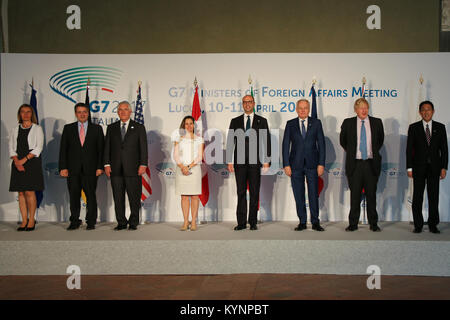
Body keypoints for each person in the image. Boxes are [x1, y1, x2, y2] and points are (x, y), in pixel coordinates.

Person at [226, 95, 271, 231]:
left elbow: (267, 141)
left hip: (254, 162)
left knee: (254, 192)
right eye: (245, 102)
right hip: (239, 162)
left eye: (249, 102)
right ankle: (241, 222)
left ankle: (252, 222)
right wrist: (229, 160)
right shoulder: (235, 121)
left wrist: (267, 160)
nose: (247, 104)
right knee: (240, 192)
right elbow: (230, 142)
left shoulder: (261, 121)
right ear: (242, 104)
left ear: (254, 103)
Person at [340, 97, 384, 232]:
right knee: (355, 196)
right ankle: (353, 223)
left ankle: (373, 224)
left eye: (366, 107)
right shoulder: (348, 123)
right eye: (361, 108)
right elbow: (343, 141)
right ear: (356, 110)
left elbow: (380, 141)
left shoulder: (377, 122)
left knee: (371, 195)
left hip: (371, 164)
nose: (364, 110)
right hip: (355, 164)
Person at [59, 102, 104, 230]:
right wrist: (63, 167)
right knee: (73, 196)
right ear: (75, 114)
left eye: (84, 112)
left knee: (91, 196)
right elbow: (63, 149)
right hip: (73, 169)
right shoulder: (68, 128)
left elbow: (101, 150)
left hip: (91, 169)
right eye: (79, 112)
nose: (82, 114)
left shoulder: (97, 129)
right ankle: (74, 221)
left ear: (88, 113)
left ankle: (91, 221)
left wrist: (100, 167)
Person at [282, 99, 326, 231]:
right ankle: (302, 221)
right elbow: (285, 146)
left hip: (313, 164)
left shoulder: (316, 123)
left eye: (305, 108)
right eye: (300, 108)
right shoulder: (290, 124)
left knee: (313, 194)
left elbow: (322, 145)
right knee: (299, 194)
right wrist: (286, 164)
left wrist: (321, 164)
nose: (303, 110)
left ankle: (315, 222)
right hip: (295, 165)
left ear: (309, 109)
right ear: (296, 109)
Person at [104, 101, 148, 230]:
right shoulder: (111, 128)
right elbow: (107, 148)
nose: (122, 112)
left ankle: (133, 222)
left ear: (130, 111)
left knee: (134, 197)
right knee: (118, 197)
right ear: (117, 112)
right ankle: (121, 222)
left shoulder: (139, 127)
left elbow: (143, 148)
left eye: (125, 109)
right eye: (120, 110)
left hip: (133, 168)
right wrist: (106, 164)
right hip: (115, 169)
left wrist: (143, 164)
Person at [406, 101, 448, 234]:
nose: (426, 112)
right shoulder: (414, 127)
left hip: (435, 168)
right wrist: (409, 168)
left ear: (433, 111)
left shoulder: (440, 127)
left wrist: (444, 167)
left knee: (433, 197)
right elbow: (409, 149)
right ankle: (418, 225)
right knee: (417, 197)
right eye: (423, 110)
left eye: (428, 109)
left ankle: (433, 224)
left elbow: (444, 150)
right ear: (420, 112)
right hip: (418, 168)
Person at [9, 104, 44, 231]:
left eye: (28, 112)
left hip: (31, 162)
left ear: (31, 114)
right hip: (17, 162)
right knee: (21, 193)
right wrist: (17, 161)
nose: (25, 114)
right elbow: (11, 147)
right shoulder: (15, 129)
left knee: (30, 191)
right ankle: (23, 221)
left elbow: (38, 147)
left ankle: (31, 220)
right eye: (23, 112)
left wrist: (24, 160)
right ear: (20, 114)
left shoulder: (37, 128)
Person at [173, 116, 204, 231]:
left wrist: (188, 167)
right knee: (184, 197)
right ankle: (186, 221)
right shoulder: (178, 139)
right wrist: (182, 167)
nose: (189, 126)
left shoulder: (199, 139)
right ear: (183, 125)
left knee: (195, 196)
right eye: (187, 124)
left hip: (194, 170)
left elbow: (200, 156)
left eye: (191, 123)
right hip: (181, 170)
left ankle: (194, 221)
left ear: (194, 125)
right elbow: (176, 155)